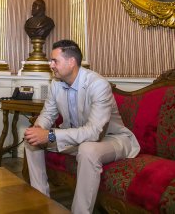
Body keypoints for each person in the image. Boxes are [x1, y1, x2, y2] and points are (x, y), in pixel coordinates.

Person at [24, 40, 140, 214]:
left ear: (71, 62)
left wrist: (49, 135)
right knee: (30, 140)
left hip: (111, 139)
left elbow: (94, 132)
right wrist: (38, 128)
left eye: (55, 60)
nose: (50, 64)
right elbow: (48, 114)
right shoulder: (56, 84)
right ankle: (41, 202)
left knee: (88, 150)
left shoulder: (98, 84)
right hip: (77, 138)